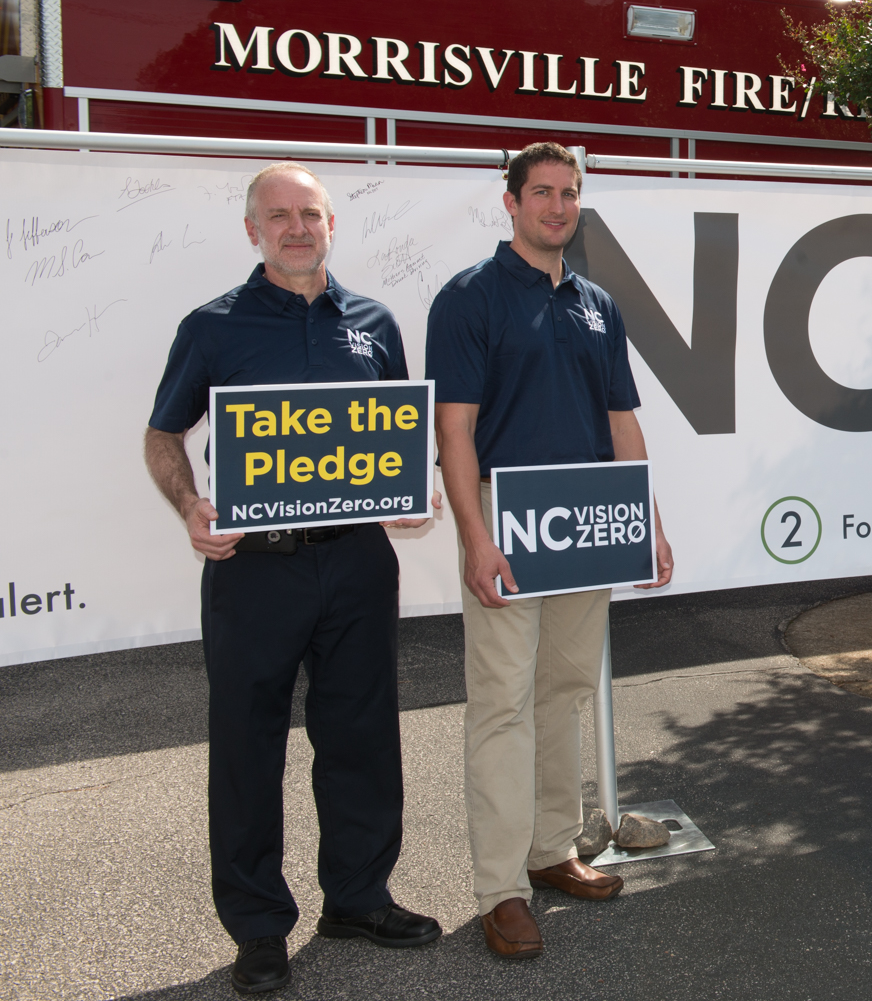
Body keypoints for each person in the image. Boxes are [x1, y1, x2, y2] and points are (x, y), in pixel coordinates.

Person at [144, 163, 442, 996]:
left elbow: (394, 437)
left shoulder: (375, 322)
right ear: (253, 231)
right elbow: (163, 434)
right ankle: (258, 927)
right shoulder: (213, 326)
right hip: (254, 568)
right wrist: (188, 505)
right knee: (247, 747)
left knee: (362, 737)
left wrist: (408, 491)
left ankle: (356, 898)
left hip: (354, 561)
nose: (297, 227)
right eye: (279, 216)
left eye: (310, 214)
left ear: (332, 226)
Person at [427, 141, 675, 961]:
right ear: (511, 201)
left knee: (563, 689)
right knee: (501, 698)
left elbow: (622, 425)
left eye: (570, 194)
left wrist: (646, 522)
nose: (558, 207)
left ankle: (550, 850)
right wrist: (475, 537)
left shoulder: (600, 303)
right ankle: (499, 888)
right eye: (542, 193)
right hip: (509, 517)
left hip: (589, 517)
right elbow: (453, 431)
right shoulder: (467, 299)